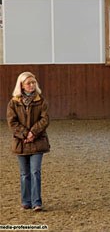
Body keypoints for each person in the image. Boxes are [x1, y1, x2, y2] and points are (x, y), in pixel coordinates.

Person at [7, 72, 50, 211]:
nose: (32, 85)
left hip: (37, 142)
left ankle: (37, 202)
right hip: (21, 143)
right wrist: (25, 133)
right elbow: (12, 122)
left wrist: (33, 133)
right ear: (21, 85)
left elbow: (45, 120)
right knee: (24, 174)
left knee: (35, 172)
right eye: (28, 83)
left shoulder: (41, 100)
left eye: (33, 82)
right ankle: (26, 201)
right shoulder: (13, 102)